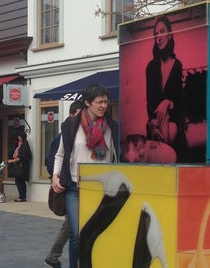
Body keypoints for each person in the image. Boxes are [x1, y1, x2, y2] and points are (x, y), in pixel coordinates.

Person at [51, 84, 119, 268]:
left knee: (98, 233)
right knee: (76, 234)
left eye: (106, 101)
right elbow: (61, 154)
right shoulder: (71, 126)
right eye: (99, 102)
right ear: (88, 103)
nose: (104, 105)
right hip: (75, 187)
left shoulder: (111, 127)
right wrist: (55, 176)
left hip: (101, 187)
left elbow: (114, 157)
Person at [44, 100, 84, 268]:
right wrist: (57, 178)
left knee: (72, 227)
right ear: (71, 115)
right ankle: (52, 257)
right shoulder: (63, 136)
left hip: (82, 187)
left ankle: (52, 257)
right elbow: (53, 160)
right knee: (71, 226)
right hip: (68, 187)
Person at [145, 15, 185, 154]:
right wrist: (153, 125)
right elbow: (150, 104)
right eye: (156, 35)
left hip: (173, 119)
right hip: (154, 122)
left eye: (162, 32)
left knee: (170, 125)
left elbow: (179, 102)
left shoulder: (177, 65)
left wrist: (168, 102)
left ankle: (165, 157)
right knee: (161, 127)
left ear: (170, 35)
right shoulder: (151, 67)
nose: (159, 38)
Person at [8, 131, 31, 202]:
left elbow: (21, 157)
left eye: (18, 136)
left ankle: (22, 197)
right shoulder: (21, 144)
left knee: (20, 181)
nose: (18, 138)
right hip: (21, 165)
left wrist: (11, 161)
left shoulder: (24, 145)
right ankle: (22, 196)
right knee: (19, 181)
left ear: (21, 137)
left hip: (22, 166)